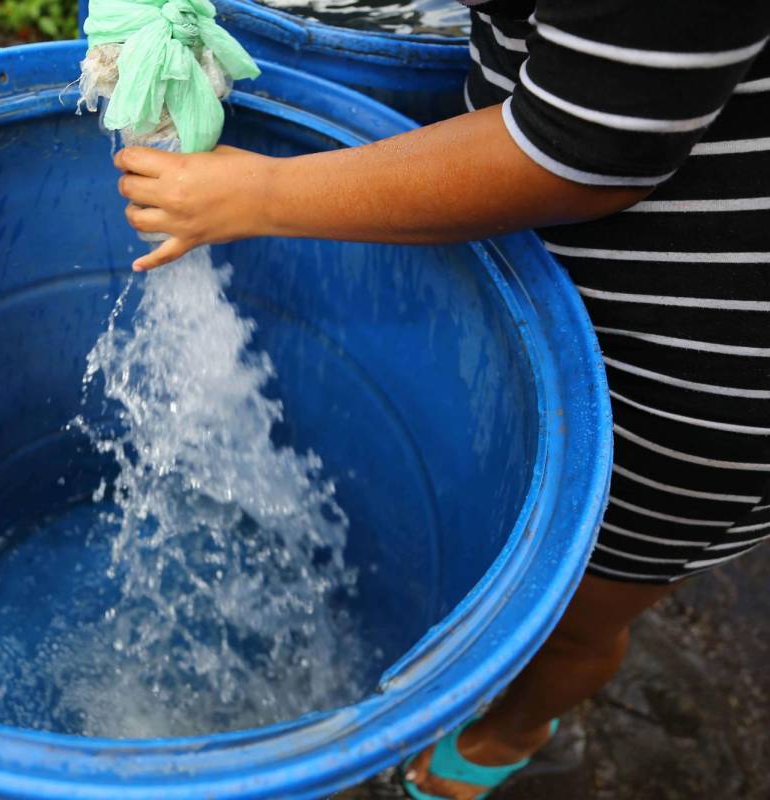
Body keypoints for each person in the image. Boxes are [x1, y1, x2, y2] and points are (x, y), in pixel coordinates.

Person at [109, 0, 770, 797]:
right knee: (487, 505)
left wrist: (263, 195)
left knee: (580, 606)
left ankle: (510, 734)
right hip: (533, 247)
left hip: (698, 355)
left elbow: (581, 150)